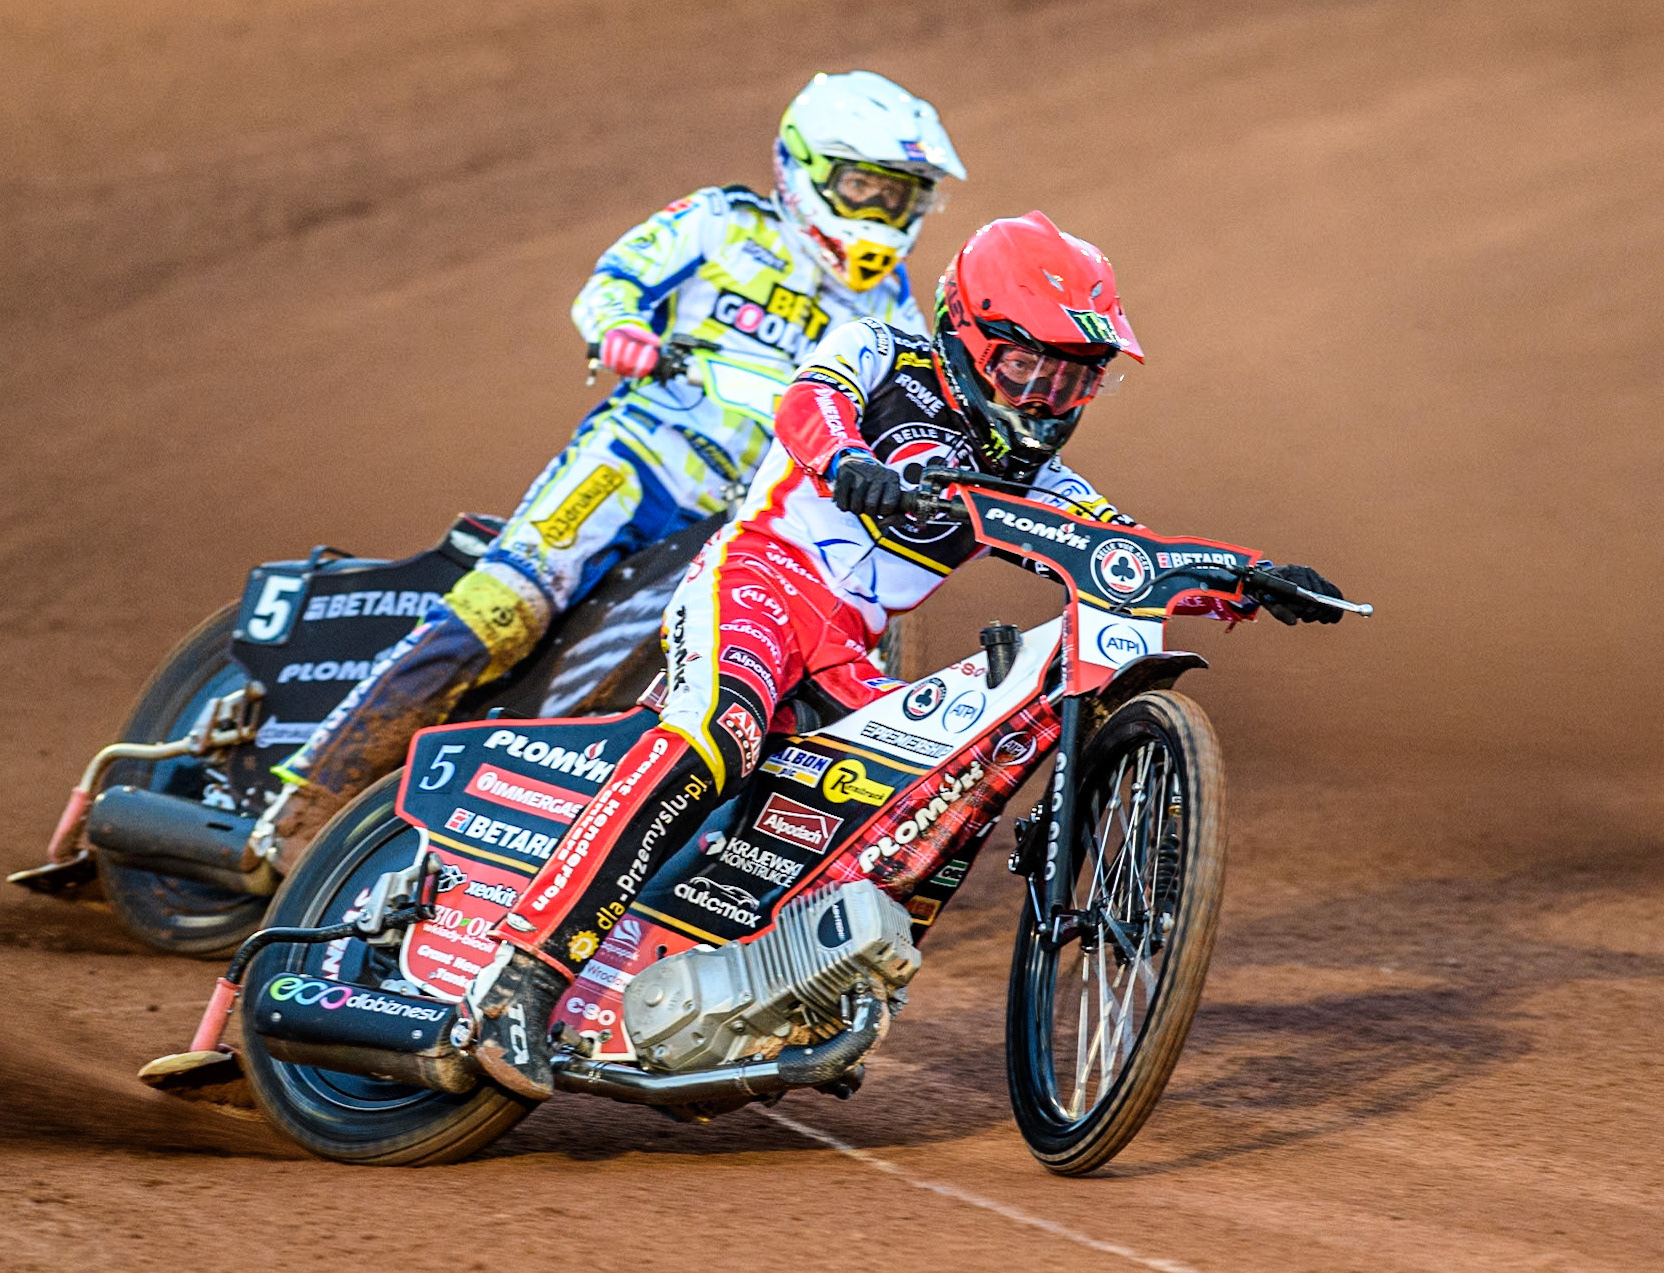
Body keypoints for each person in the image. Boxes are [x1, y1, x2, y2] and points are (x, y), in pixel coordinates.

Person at [464, 211, 1346, 1098]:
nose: (1044, 399)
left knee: (928, 795)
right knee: (718, 734)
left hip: (847, 648)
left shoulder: (1043, 482)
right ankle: (522, 974)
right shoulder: (876, 349)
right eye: (1027, 366)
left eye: (1072, 379)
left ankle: (798, 991)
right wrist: (844, 456)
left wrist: (1250, 579)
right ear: (965, 334)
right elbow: (806, 400)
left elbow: (1129, 553)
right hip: (759, 579)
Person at [249, 71, 965, 868]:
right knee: (504, 607)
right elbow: (614, 280)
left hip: (740, 523)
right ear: (803, 168)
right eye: (862, 186)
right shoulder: (722, 224)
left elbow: (909, 408)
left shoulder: (893, 312)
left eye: (899, 197)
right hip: (637, 461)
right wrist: (621, 327)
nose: (878, 213)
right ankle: (305, 796)